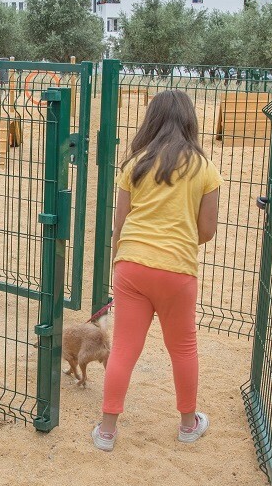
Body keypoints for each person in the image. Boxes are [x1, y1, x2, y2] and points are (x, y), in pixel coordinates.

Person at [94, 89, 221, 452]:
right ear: (189, 121)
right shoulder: (205, 168)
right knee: (183, 348)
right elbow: (207, 231)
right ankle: (187, 424)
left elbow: (119, 223)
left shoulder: (136, 164)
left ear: (152, 120)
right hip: (177, 269)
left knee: (123, 349)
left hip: (131, 266)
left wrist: (120, 261)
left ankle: (106, 431)